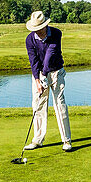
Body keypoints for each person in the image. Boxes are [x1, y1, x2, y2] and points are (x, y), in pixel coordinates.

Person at [24, 10, 72, 152]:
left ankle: (66, 141)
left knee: (59, 104)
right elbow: (33, 61)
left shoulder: (56, 34)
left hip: (56, 72)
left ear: (45, 25)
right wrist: (37, 79)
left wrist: (44, 75)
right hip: (39, 74)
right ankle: (37, 140)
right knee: (38, 105)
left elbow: (50, 55)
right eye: (35, 29)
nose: (37, 32)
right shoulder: (30, 39)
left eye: (39, 28)